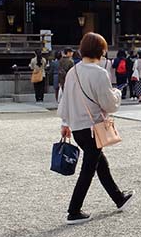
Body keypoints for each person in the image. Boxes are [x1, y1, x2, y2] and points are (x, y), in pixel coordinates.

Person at [57, 32, 134, 224]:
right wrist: (116, 94)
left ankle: (119, 198)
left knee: (100, 163)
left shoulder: (73, 72)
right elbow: (109, 104)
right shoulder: (99, 73)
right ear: (101, 51)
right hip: (92, 127)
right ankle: (73, 210)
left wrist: (65, 123)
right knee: (89, 168)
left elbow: (65, 100)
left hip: (77, 127)